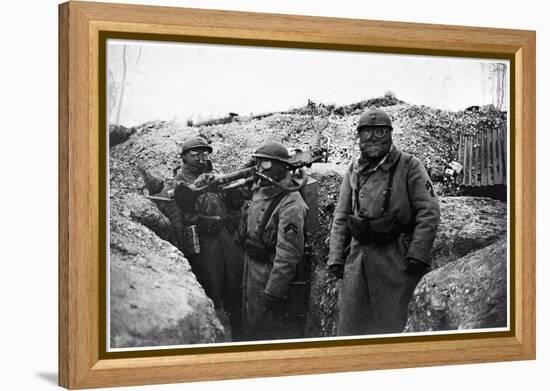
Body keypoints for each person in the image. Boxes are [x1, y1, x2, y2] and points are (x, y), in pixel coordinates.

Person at [327, 108, 440, 336]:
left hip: (396, 260)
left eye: (380, 132)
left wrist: (417, 253)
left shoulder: (410, 165)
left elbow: (428, 210)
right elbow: (341, 216)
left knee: (391, 327)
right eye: (366, 133)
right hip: (358, 261)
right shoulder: (353, 169)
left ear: (390, 134)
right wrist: (337, 257)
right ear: (358, 137)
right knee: (351, 328)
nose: (372, 139)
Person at [157, 136, 244, 340]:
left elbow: (234, 203)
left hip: (226, 240)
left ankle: (240, 336)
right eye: (195, 153)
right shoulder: (177, 183)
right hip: (203, 245)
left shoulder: (215, 177)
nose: (200, 157)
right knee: (212, 288)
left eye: (204, 152)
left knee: (235, 285)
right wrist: (199, 220)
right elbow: (175, 215)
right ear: (184, 157)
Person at [241, 141, 309, 340]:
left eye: (266, 164)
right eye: (259, 163)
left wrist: (274, 292)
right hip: (251, 268)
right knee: (250, 321)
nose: (261, 169)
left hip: (268, 275)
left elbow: (288, 255)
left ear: (281, 167)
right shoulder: (261, 190)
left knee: (267, 329)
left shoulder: (292, 204)